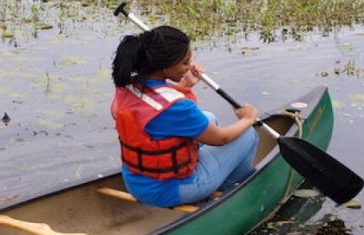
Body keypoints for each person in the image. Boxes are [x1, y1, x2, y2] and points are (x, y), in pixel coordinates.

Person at [111, 26, 259, 208]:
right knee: (248, 135)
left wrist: (185, 85)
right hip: (172, 189)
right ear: (164, 65)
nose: (189, 67)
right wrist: (247, 119)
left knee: (209, 117)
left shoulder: (127, 87)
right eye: (185, 63)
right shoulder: (177, 107)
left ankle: (223, 183)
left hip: (136, 183)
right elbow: (221, 138)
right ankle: (230, 194)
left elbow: (160, 114)